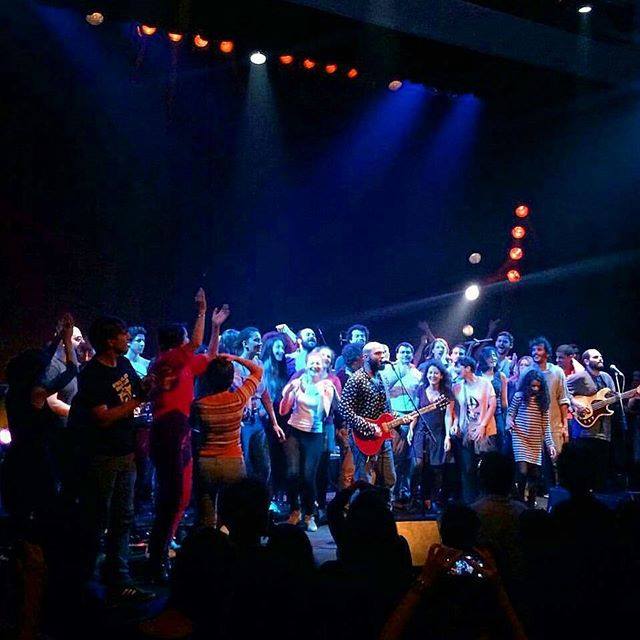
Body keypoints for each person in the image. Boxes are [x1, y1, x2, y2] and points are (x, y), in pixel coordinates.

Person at [69, 316, 153, 603]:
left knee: (123, 517)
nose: (127, 337)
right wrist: (137, 401)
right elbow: (103, 417)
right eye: (122, 334)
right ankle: (84, 582)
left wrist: (148, 386)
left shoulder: (124, 364)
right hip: (102, 456)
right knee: (96, 518)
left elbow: (136, 391)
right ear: (109, 340)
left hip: (125, 452)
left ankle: (119, 578)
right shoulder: (93, 374)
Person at [147, 291, 228, 581]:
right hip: (167, 431)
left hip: (179, 430)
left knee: (181, 494)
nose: (189, 343)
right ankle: (157, 558)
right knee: (172, 496)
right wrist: (202, 312)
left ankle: (163, 548)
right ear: (176, 342)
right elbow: (195, 343)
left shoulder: (182, 363)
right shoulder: (166, 360)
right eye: (184, 339)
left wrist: (215, 328)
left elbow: (210, 356)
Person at [192, 354, 263, 527]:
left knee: (206, 515)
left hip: (206, 462)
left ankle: (209, 542)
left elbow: (194, 430)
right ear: (231, 379)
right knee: (234, 514)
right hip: (233, 461)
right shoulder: (238, 399)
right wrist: (235, 358)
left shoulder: (200, 405)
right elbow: (257, 370)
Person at [280, 351, 339, 531]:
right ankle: (294, 511)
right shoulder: (297, 382)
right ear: (306, 365)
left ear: (323, 367)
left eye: (318, 363)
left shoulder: (327, 385)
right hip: (294, 431)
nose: (314, 366)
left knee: (308, 476)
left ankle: (309, 515)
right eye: (311, 363)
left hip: (314, 434)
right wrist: (288, 392)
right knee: (292, 473)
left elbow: (324, 413)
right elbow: (283, 411)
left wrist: (323, 394)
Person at [338, 342, 396, 498]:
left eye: (383, 353)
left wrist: (395, 417)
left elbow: (384, 409)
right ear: (365, 357)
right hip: (362, 437)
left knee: (390, 478)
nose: (382, 357)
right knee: (364, 482)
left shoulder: (382, 378)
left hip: (383, 437)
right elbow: (344, 409)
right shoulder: (356, 379)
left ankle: (386, 509)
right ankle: (361, 510)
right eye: (377, 353)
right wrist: (369, 427)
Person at [233, 327, 286, 487]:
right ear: (245, 343)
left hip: (258, 420)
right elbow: (237, 396)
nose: (260, 343)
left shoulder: (259, 364)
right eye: (256, 340)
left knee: (264, 465)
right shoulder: (235, 365)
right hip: (242, 421)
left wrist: (275, 423)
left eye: (259, 340)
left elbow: (265, 396)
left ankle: (262, 497)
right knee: (245, 463)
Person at [408, 359, 455, 512]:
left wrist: (447, 436)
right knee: (417, 465)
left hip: (438, 432)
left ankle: (431, 499)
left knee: (435, 468)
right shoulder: (421, 390)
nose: (432, 375)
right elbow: (415, 411)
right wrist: (411, 429)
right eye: (430, 373)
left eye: (436, 373)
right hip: (420, 431)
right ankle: (414, 498)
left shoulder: (446, 393)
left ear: (441, 375)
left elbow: (448, 415)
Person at [567, 349, 617, 491]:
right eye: (596, 357)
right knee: (583, 469)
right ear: (586, 361)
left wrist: (628, 395)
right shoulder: (580, 377)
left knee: (600, 470)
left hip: (604, 432)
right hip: (584, 431)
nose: (600, 359)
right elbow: (563, 390)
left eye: (601, 356)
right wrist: (576, 404)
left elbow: (613, 398)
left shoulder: (607, 377)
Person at [507, 369, 557, 506]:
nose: (535, 389)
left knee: (535, 474)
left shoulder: (543, 400)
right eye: (533, 386)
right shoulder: (519, 396)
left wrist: (550, 444)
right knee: (522, 471)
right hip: (520, 436)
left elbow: (545, 424)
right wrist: (509, 422)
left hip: (535, 440)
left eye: (538, 386)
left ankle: (531, 502)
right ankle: (519, 501)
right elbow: (511, 413)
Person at [380, 342, 422, 506]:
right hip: (395, 417)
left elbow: (419, 396)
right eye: (402, 352)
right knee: (396, 458)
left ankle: (406, 492)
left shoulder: (417, 373)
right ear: (396, 354)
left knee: (410, 460)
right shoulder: (388, 370)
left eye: (408, 352)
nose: (405, 355)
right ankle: (392, 494)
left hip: (413, 416)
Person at [451, 355, 497, 503]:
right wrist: (455, 424)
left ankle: (485, 500)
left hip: (485, 429)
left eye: (458, 366)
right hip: (466, 432)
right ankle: (470, 502)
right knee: (467, 468)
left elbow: (492, 405)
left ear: (468, 368)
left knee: (484, 467)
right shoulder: (457, 387)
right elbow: (454, 409)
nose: (455, 369)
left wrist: (482, 425)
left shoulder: (484, 383)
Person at [125, 325, 154, 515]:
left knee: (146, 461)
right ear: (129, 342)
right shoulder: (124, 363)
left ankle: (142, 499)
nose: (142, 344)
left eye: (144, 341)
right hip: (130, 415)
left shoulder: (147, 363)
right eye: (138, 340)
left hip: (146, 416)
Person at [477, 346, 509, 455]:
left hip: (497, 414)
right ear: (483, 359)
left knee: (499, 444)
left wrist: (506, 419)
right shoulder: (477, 375)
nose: (493, 358)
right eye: (489, 356)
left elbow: (504, 401)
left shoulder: (501, 376)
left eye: (494, 355)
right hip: (480, 414)